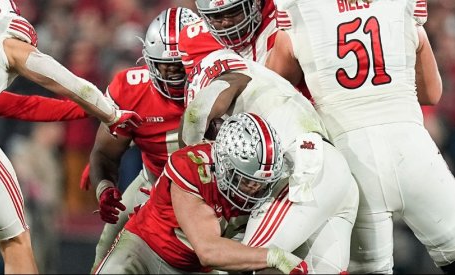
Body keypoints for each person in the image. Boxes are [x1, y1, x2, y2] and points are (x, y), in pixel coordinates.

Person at [270, 0, 455, 273]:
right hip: (414, 153)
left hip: (354, 168)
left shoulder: (297, 11)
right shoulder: (402, 5)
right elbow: (431, 93)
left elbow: (272, 93)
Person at [0, 0, 140, 273]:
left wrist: (86, 110)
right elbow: (61, 78)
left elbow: (23, 105)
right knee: (16, 242)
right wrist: (110, 113)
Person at [181, 48, 359, 273]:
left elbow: (197, 114)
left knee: (250, 260)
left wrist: (186, 164)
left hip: (302, 172)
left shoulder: (222, 70)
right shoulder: (262, 82)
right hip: (331, 172)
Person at [93, 112, 308, 274]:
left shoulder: (274, 181)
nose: (255, 188)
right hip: (146, 250)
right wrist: (275, 256)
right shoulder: (191, 167)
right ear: (223, 164)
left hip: (198, 268)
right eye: (246, 179)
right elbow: (208, 251)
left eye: (262, 182)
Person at [84, 7, 200, 271]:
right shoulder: (130, 88)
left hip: (211, 195)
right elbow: (104, 154)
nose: (175, 76)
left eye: (181, 66)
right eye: (167, 67)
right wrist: (105, 188)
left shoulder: (227, 85)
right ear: (148, 61)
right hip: (153, 180)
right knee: (107, 248)